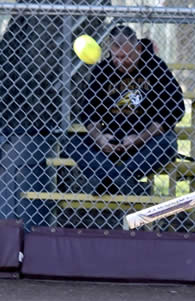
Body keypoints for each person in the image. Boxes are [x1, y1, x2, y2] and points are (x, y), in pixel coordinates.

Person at [66, 25, 184, 195]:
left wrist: (140, 138)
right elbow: (89, 113)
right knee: (71, 143)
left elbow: (175, 109)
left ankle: (108, 181)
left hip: (145, 143)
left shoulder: (156, 67)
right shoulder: (103, 70)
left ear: (138, 49)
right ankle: (127, 184)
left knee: (167, 144)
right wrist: (100, 138)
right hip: (111, 141)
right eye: (117, 57)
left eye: (126, 56)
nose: (121, 62)